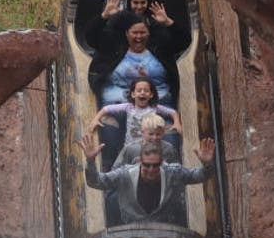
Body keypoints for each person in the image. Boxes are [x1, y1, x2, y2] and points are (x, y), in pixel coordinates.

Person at [83, 132, 215, 225]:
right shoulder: (125, 174)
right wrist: (90, 161)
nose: (151, 170)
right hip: (130, 230)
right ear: (140, 161)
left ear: (162, 162)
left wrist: (207, 165)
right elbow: (96, 182)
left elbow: (199, 176)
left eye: (155, 165)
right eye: (147, 165)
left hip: (164, 230)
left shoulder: (173, 172)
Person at [87, 78, 182, 144]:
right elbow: (106, 109)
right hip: (130, 147)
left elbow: (172, 112)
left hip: (151, 147)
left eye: (146, 91)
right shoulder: (128, 107)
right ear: (133, 94)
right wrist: (96, 119)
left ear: (151, 95)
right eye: (139, 90)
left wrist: (177, 123)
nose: (142, 93)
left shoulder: (154, 108)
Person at [113, 113, 179, 168]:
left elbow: (177, 170)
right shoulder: (131, 149)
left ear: (163, 133)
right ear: (142, 132)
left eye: (158, 134)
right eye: (151, 134)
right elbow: (116, 169)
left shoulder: (169, 149)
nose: (155, 137)